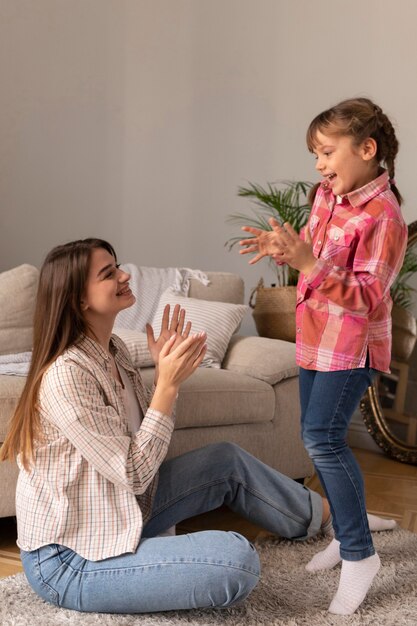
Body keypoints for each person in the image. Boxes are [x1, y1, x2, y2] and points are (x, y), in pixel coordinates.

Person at [1, 237, 338, 615]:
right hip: (70, 558)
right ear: (80, 299)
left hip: (121, 510)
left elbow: (147, 445)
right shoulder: (67, 375)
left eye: (118, 265)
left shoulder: (114, 351)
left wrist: (164, 380)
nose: (125, 274)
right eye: (109, 273)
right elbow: (134, 472)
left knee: (225, 460)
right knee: (236, 561)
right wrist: (167, 385)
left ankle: (329, 517)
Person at [239, 97, 406, 615]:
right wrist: (284, 247)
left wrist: (308, 262)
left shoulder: (386, 217)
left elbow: (367, 298)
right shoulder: (324, 194)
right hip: (314, 337)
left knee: (321, 436)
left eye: (327, 152)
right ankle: (346, 529)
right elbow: (312, 246)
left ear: (367, 149)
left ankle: (360, 554)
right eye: (315, 154)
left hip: (352, 347)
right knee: (314, 439)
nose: (318, 165)